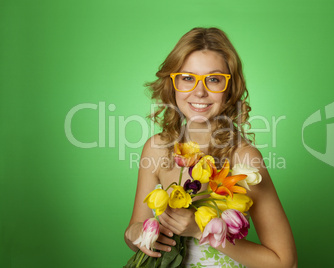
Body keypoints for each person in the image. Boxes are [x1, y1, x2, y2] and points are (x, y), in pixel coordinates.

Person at [124, 27, 297, 268]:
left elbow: (285, 262)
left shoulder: (244, 159)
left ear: (229, 88)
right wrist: (135, 235)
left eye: (214, 79)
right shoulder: (156, 149)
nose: (200, 91)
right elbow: (135, 232)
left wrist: (200, 229)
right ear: (173, 84)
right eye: (187, 78)